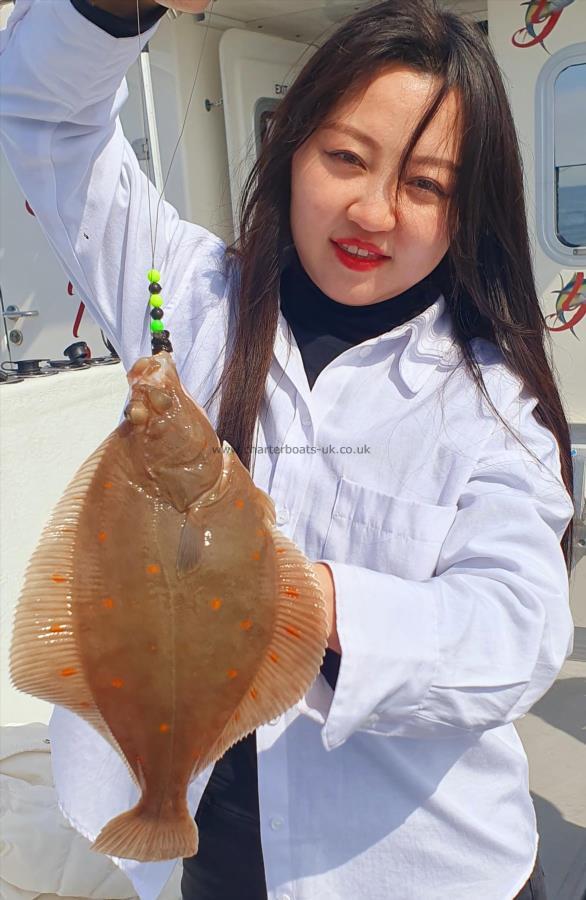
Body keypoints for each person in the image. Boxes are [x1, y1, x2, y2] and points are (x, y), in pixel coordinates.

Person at [0, 0, 575, 897]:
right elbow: (46, 118)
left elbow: (517, 630)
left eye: (426, 185)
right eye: (344, 157)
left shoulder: (492, 400)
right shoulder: (181, 295)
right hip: (210, 853)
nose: (374, 210)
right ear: (289, 147)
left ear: (470, 212)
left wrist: (313, 601)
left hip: (415, 869)